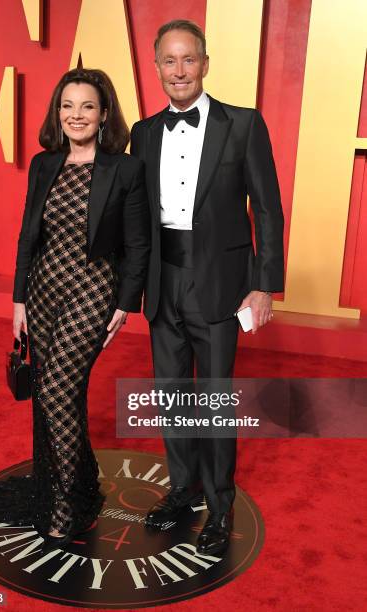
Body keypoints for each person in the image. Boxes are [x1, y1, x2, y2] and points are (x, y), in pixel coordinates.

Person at [0, 68, 150, 553]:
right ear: (59, 113)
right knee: (59, 393)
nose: (77, 115)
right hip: (44, 287)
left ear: (104, 114)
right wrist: (17, 300)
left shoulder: (126, 169)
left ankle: (67, 505)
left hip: (94, 287)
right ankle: (80, 479)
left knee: (55, 387)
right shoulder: (43, 164)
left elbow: (138, 245)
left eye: (87, 107)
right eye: (68, 106)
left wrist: (124, 304)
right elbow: (28, 236)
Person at [130, 20, 284, 556]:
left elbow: (266, 209)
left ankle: (219, 506)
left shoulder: (242, 124)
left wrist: (264, 286)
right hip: (162, 281)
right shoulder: (143, 132)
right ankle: (182, 490)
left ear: (205, 63)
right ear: (156, 68)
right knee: (171, 396)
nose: (179, 70)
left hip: (220, 282)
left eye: (188, 59)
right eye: (169, 61)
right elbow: (137, 219)